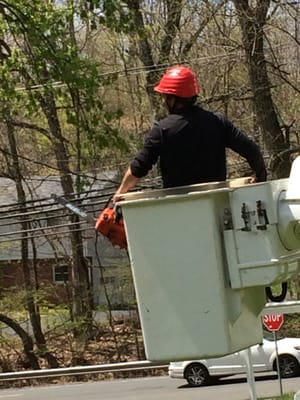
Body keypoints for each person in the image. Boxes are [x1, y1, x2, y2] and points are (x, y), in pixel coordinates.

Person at [113, 65, 267, 202]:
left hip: (180, 210)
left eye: (165, 97)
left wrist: (121, 192)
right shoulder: (218, 122)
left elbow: (138, 168)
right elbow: (251, 149)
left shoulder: (162, 130)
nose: (163, 102)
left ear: (173, 99)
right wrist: (260, 178)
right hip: (218, 205)